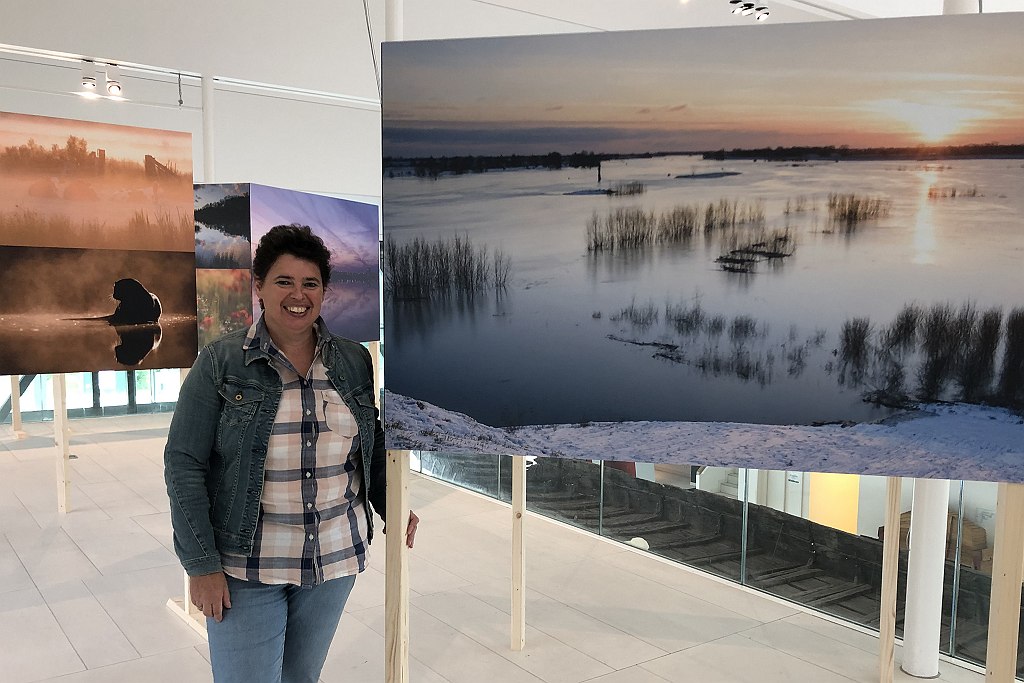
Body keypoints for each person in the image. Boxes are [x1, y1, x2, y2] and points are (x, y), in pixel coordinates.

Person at [164, 223, 417, 683]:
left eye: (310, 283)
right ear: (258, 287)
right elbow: (184, 463)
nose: (297, 294)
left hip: (335, 558)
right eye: (284, 281)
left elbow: (371, 441)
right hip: (247, 565)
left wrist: (392, 504)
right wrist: (200, 565)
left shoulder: (354, 359)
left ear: (323, 292)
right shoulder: (221, 363)